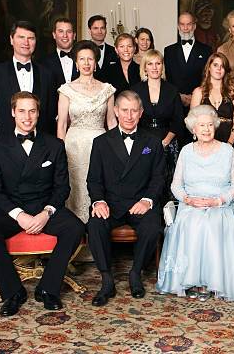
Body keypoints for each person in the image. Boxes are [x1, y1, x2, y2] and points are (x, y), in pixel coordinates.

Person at [0, 92, 84, 317]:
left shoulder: (54, 145)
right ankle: (13, 291)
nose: (27, 117)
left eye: (32, 111)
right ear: (13, 113)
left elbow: (62, 187)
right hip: (11, 209)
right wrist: (19, 215)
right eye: (22, 111)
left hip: (45, 206)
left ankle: (48, 287)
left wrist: (46, 212)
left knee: (75, 228)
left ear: (38, 113)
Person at [156, 105, 234, 303]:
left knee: (211, 224)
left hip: (220, 205)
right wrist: (188, 200)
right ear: (193, 129)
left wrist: (217, 201)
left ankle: (209, 282)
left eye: (210, 125)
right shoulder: (186, 151)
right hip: (191, 205)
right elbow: (176, 185)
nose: (206, 129)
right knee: (191, 223)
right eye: (201, 125)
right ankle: (192, 280)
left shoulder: (227, 150)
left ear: (215, 127)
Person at [86, 90, 165, 306]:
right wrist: (98, 201)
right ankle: (106, 279)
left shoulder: (153, 141)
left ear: (141, 113)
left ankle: (136, 273)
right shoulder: (101, 142)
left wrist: (147, 200)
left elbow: (159, 178)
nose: (129, 116)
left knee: (153, 227)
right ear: (115, 111)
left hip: (140, 202)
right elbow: (93, 179)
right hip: (111, 203)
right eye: (124, 110)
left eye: (134, 111)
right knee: (94, 225)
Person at [57, 40, 117, 223]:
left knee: (99, 184)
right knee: (76, 187)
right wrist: (60, 152)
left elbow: (112, 121)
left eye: (90, 59)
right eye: (81, 59)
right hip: (73, 148)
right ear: (76, 63)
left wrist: (117, 149)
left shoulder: (107, 89)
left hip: (100, 145)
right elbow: (61, 125)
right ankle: (76, 230)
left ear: (95, 62)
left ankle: (97, 226)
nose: (86, 63)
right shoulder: (66, 89)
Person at [0, 20, 57, 137]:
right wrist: (11, 130)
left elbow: (51, 111)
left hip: (41, 141)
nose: (26, 42)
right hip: (6, 141)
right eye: (21, 37)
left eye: (31, 38)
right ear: (11, 40)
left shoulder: (47, 74)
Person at [131, 49, 183, 205]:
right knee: (145, 176)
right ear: (144, 68)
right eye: (150, 64)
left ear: (162, 67)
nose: (154, 67)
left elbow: (178, 120)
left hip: (167, 140)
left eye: (158, 63)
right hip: (143, 141)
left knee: (167, 179)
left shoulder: (172, 90)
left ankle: (168, 217)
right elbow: (132, 118)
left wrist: (166, 142)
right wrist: (144, 142)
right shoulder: (136, 90)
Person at [164, 12, 212, 145]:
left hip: (199, 105)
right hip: (175, 105)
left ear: (194, 26)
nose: (186, 28)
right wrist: (178, 96)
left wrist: (194, 97)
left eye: (189, 24)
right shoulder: (168, 51)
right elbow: (167, 78)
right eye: (182, 24)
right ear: (178, 26)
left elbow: (207, 78)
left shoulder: (207, 50)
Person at [190, 53, 234, 144]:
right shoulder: (198, 92)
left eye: (222, 66)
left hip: (229, 140)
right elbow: (193, 121)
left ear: (225, 70)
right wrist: (204, 142)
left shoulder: (233, 91)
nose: (219, 69)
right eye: (215, 65)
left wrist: (229, 144)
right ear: (209, 67)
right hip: (204, 141)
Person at [39, 17, 78, 90]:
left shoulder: (85, 60)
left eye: (69, 31)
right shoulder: (43, 63)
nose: (65, 35)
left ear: (74, 36)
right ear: (54, 35)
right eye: (61, 31)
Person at [87, 15, 118, 81]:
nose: (99, 32)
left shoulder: (114, 51)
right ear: (89, 31)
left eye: (102, 28)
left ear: (106, 30)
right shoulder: (82, 50)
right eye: (96, 28)